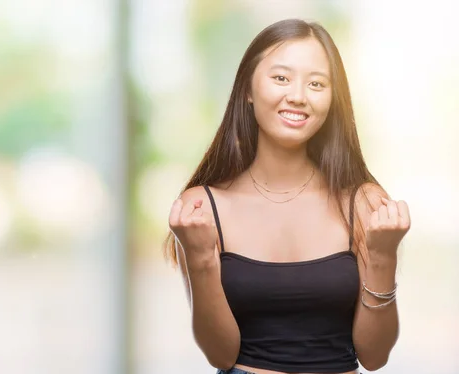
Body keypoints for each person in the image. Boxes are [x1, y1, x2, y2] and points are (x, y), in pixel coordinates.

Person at [164, 19, 411, 374]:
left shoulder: (363, 203)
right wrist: (200, 257)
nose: (298, 95)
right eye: (281, 78)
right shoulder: (201, 207)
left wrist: (383, 257)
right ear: (248, 88)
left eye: (316, 83)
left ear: (332, 99)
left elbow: (374, 357)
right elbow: (220, 355)